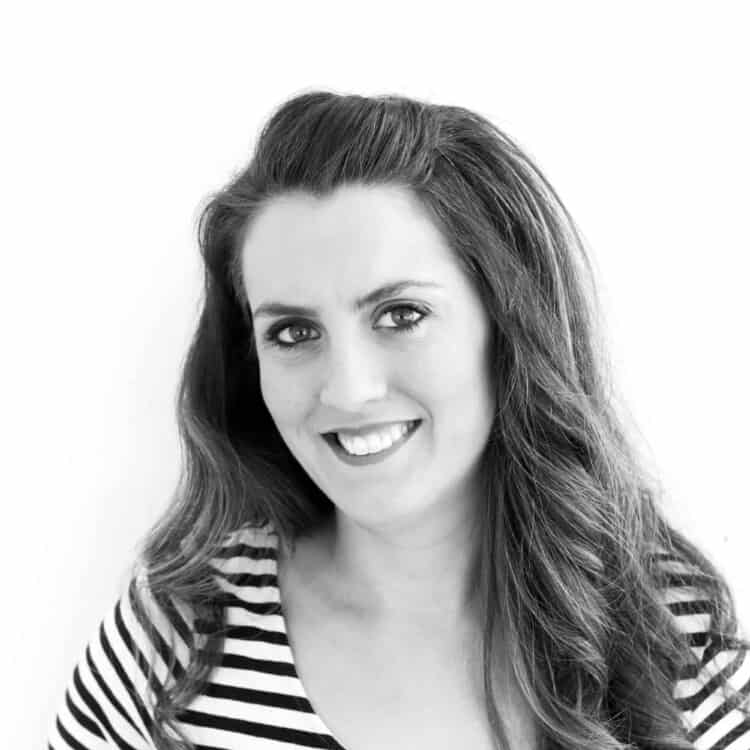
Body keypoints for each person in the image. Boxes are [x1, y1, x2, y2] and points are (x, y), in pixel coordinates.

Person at [47, 91, 750, 750]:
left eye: (401, 314)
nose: (349, 391)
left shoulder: (678, 649)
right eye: (293, 333)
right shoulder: (172, 643)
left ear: (508, 329)